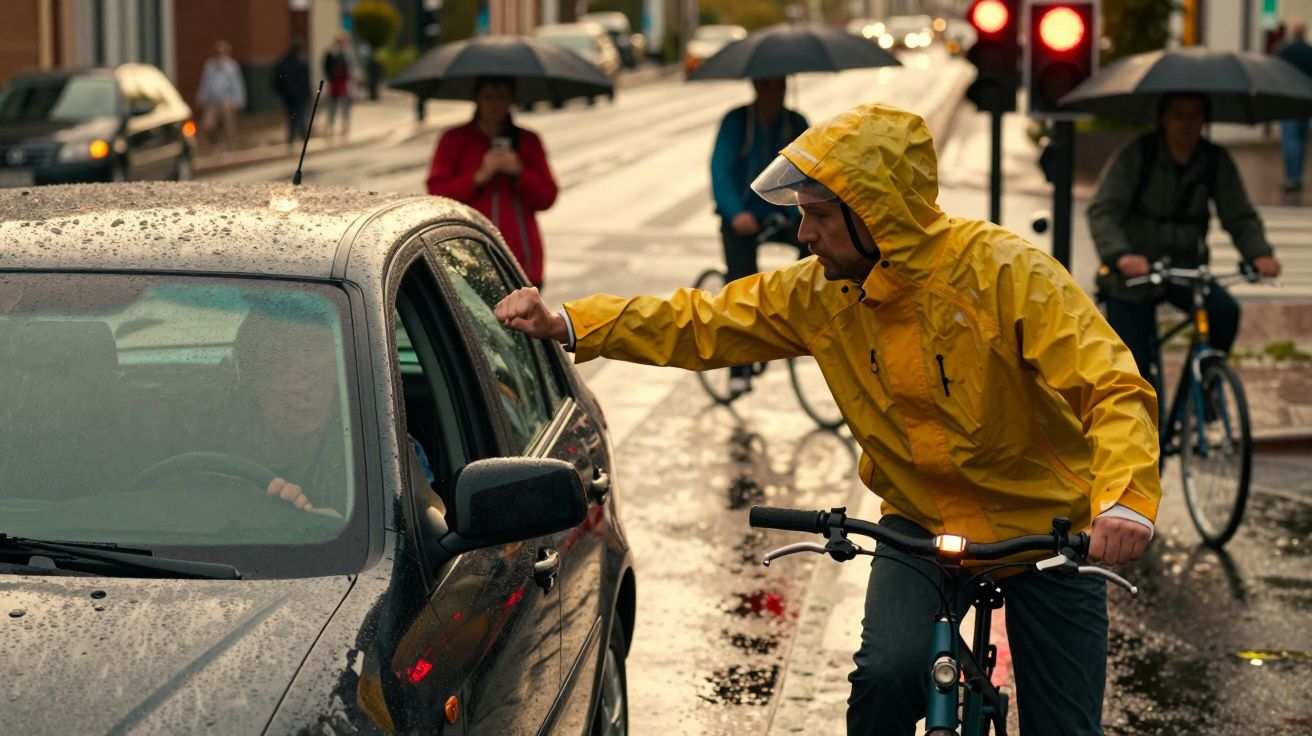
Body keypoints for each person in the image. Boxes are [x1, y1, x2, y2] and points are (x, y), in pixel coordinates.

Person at [495, 103, 1161, 735]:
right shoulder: (817, 291)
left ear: (877, 215)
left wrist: (1124, 502)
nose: (803, 234)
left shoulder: (1006, 273)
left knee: (1066, 723)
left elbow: (1110, 385)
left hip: (1048, 531)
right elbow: (698, 323)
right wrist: (569, 323)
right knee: (885, 676)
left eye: (817, 215)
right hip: (920, 524)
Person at [1089, 93, 1283, 383]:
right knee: (1134, 368)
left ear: (1205, 120)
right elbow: (1103, 211)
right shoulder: (1138, 155)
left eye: (1195, 115)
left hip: (1186, 270)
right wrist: (1121, 255)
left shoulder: (1215, 160)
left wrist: (1259, 254)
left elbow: (1239, 215)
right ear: (1163, 119)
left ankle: (1205, 386)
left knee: (1224, 312)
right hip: (1134, 277)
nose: (1187, 123)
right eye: (1178, 115)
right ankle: (1146, 422)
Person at [710, 77, 809, 394]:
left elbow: (811, 171)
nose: (773, 94)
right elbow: (720, 170)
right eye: (767, 87)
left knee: (819, 247)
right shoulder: (737, 121)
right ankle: (739, 368)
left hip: (785, 213)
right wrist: (735, 212)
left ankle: (800, 307)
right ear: (755, 87)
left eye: (779, 86)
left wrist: (804, 212)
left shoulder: (795, 122)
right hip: (742, 215)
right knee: (741, 283)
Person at [426, 76, 558, 289]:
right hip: (467, 259)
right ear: (476, 99)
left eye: (502, 97)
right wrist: (479, 177)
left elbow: (547, 197)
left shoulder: (528, 141)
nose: (494, 104)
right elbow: (436, 194)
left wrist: (519, 173)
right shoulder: (454, 139)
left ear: (511, 100)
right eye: (488, 96)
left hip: (521, 262)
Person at [1277, 22, 1312, 192]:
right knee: (1301, 139)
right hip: (1306, 100)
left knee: (1290, 140)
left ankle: (1291, 177)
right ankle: (1297, 176)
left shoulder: (1285, 51)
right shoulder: (1309, 52)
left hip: (1288, 99)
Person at [195, 40, 245, 154]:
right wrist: (201, 98)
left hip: (227, 101)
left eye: (222, 53)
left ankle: (229, 147)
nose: (219, 56)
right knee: (207, 125)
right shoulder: (210, 66)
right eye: (217, 53)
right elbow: (205, 83)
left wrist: (239, 100)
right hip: (212, 102)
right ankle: (216, 143)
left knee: (229, 125)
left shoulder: (232, 66)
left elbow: (237, 84)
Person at [272, 40, 311, 146]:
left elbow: (277, 78)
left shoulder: (285, 61)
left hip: (289, 95)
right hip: (297, 95)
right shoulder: (299, 61)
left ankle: (293, 136)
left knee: (292, 116)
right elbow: (305, 79)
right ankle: (300, 135)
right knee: (300, 115)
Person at [322, 33, 355, 136]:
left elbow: (350, 68)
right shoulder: (331, 54)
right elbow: (326, 67)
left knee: (345, 106)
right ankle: (330, 126)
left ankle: (345, 125)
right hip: (335, 83)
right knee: (332, 106)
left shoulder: (347, 54)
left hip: (344, 83)